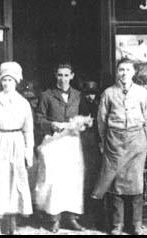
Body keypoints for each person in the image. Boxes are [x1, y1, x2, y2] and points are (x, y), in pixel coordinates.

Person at [91, 58, 147, 235]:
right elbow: (101, 120)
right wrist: (105, 142)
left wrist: (144, 140)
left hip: (136, 141)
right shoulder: (108, 93)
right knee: (115, 183)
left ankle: (136, 224)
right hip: (114, 141)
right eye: (121, 70)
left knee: (136, 183)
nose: (124, 73)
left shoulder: (142, 93)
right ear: (117, 73)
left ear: (133, 72)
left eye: (127, 70)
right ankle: (117, 224)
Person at [34, 63, 86, 232]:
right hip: (54, 142)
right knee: (54, 179)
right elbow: (39, 119)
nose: (63, 79)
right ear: (55, 76)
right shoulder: (46, 95)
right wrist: (51, 125)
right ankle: (53, 218)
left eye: (66, 75)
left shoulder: (78, 95)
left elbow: (86, 116)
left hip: (71, 141)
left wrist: (82, 123)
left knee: (72, 179)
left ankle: (71, 217)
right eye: (60, 75)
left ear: (72, 76)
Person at [0, 62, 34, 235]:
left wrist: (28, 150)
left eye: (10, 80)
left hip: (16, 142)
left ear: (16, 82)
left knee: (15, 181)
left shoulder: (23, 103)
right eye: (4, 80)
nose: (7, 83)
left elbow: (28, 130)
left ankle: (12, 223)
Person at [79, 80, 102, 228]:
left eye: (93, 93)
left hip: (96, 147)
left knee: (96, 180)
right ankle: (85, 217)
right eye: (88, 93)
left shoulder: (99, 106)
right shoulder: (80, 105)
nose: (90, 97)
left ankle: (96, 217)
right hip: (82, 145)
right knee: (85, 181)